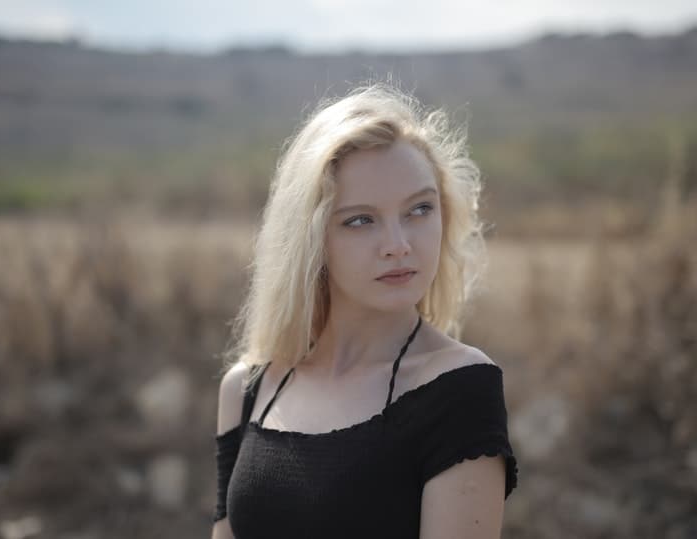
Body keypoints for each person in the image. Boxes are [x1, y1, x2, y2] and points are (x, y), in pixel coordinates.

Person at [211, 82, 518, 539]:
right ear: (311, 240)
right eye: (360, 220)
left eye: (419, 209)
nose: (398, 245)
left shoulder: (457, 389)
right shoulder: (248, 389)